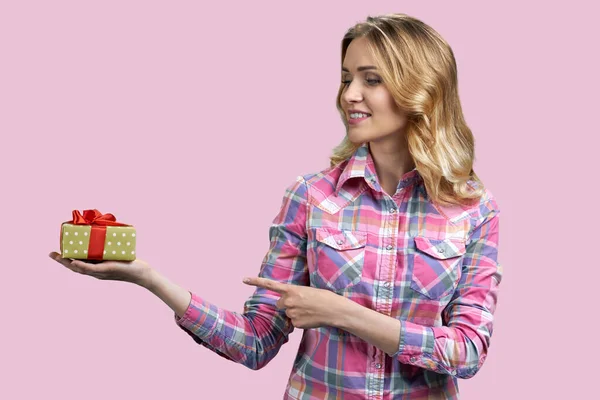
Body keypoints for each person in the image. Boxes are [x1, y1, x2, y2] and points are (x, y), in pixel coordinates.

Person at [49, 13, 502, 399]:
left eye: (371, 79)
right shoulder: (311, 197)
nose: (349, 95)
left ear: (420, 88)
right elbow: (255, 343)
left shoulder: (472, 210)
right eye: (346, 78)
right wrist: (148, 278)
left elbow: (467, 352)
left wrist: (342, 313)